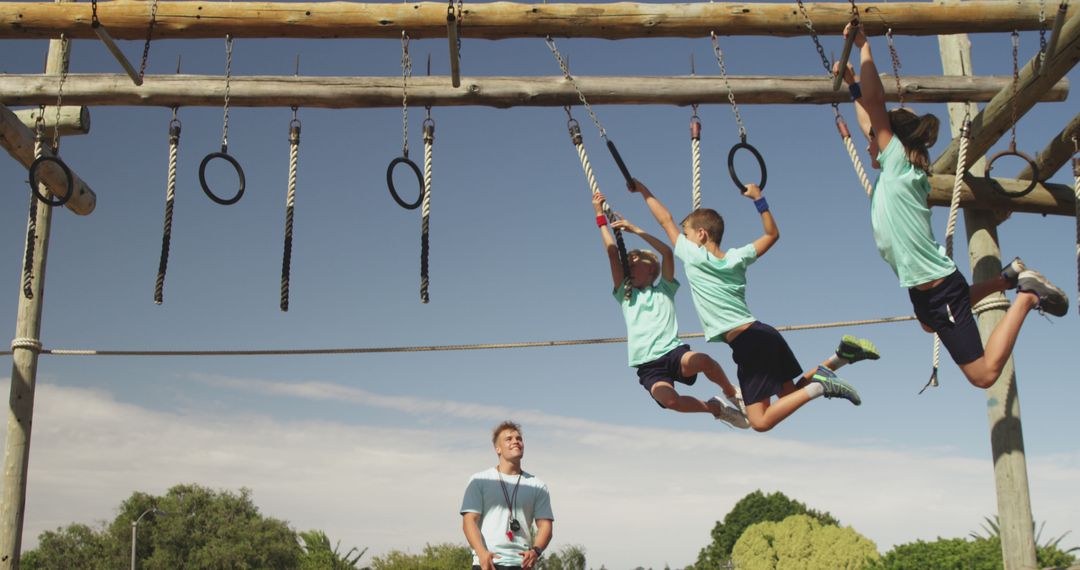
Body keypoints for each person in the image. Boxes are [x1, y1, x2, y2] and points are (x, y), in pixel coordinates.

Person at [836, 23, 1069, 389]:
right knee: (929, 322)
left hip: (936, 287)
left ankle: (1026, 296)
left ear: (891, 141)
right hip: (924, 289)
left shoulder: (898, 166)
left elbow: (876, 104)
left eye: (875, 139)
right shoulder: (896, 170)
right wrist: (852, 87)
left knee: (983, 375)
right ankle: (1004, 279)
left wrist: (864, 46)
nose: (869, 145)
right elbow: (870, 115)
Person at [629, 178, 880, 432]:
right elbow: (773, 235)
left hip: (748, 344)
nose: (683, 238)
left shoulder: (693, 257)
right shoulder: (737, 257)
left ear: (701, 234)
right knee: (790, 395)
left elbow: (665, 220)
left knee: (759, 422)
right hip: (765, 335)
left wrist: (643, 190)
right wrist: (759, 199)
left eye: (686, 234)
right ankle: (840, 358)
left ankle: (822, 386)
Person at [591, 192, 749, 428]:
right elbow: (613, 253)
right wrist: (598, 215)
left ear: (652, 271)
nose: (631, 267)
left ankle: (731, 392)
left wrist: (635, 230)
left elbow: (667, 252)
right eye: (629, 265)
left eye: (637, 264)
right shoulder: (626, 295)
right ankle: (715, 408)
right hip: (648, 366)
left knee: (704, 360)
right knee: (670, 401)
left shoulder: (664, 290)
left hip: (672, 352)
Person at [461, 421, 554, 570]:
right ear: (497, 449)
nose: (515, 441)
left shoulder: (538, 485)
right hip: (487, 563)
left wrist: (535, 551)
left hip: (521, 565)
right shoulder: (479, 480)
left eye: (519, 438)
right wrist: (482, 554)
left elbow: (545, 526)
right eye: (508, 439)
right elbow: (469, 521)